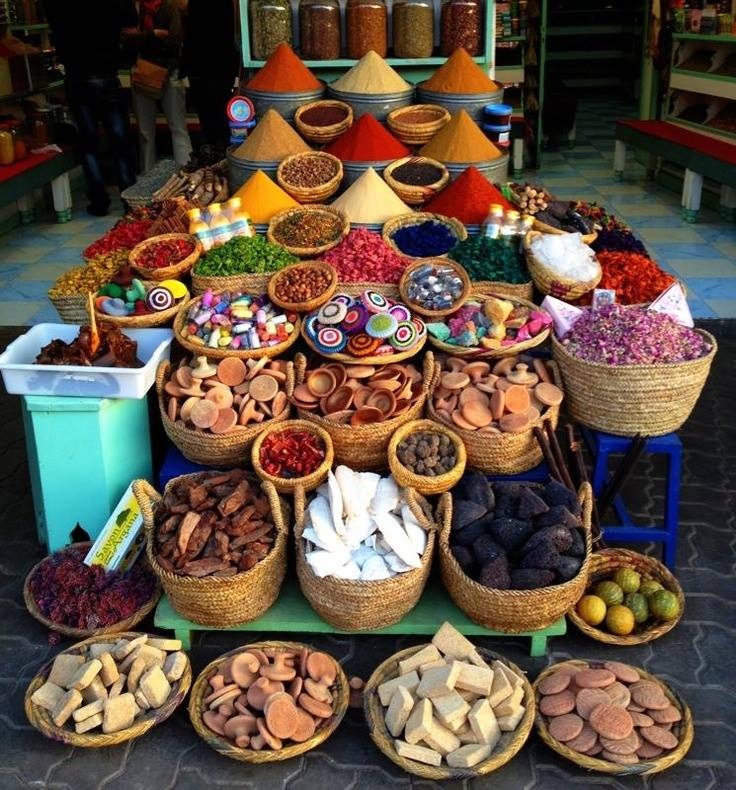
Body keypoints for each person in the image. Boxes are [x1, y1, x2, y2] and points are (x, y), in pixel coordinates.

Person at [42, 0, 138, 216]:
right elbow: (130, 23)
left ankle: (98, 201)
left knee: (89, 144)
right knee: (120, 143)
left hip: (77, 78)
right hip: (107, 76)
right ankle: (129, 200)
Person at [123, 0, 192, 172]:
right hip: (150, 73)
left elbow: (175, 42)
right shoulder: (137, 9)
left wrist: (141, 39)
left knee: (173, 128)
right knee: (150, 132)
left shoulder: (167, 8)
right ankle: (149, 179)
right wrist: (153, 35)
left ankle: (185, 174)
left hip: (160, 71)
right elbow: (126, 41)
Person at [181, 0, 238, 151]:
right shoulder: (225, 5)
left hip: (205, 66)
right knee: (219, 113)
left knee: (210, 115)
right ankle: (221, 152)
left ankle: (215, 151)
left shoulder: (197, 6)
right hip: (218, 65)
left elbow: (191, 32)